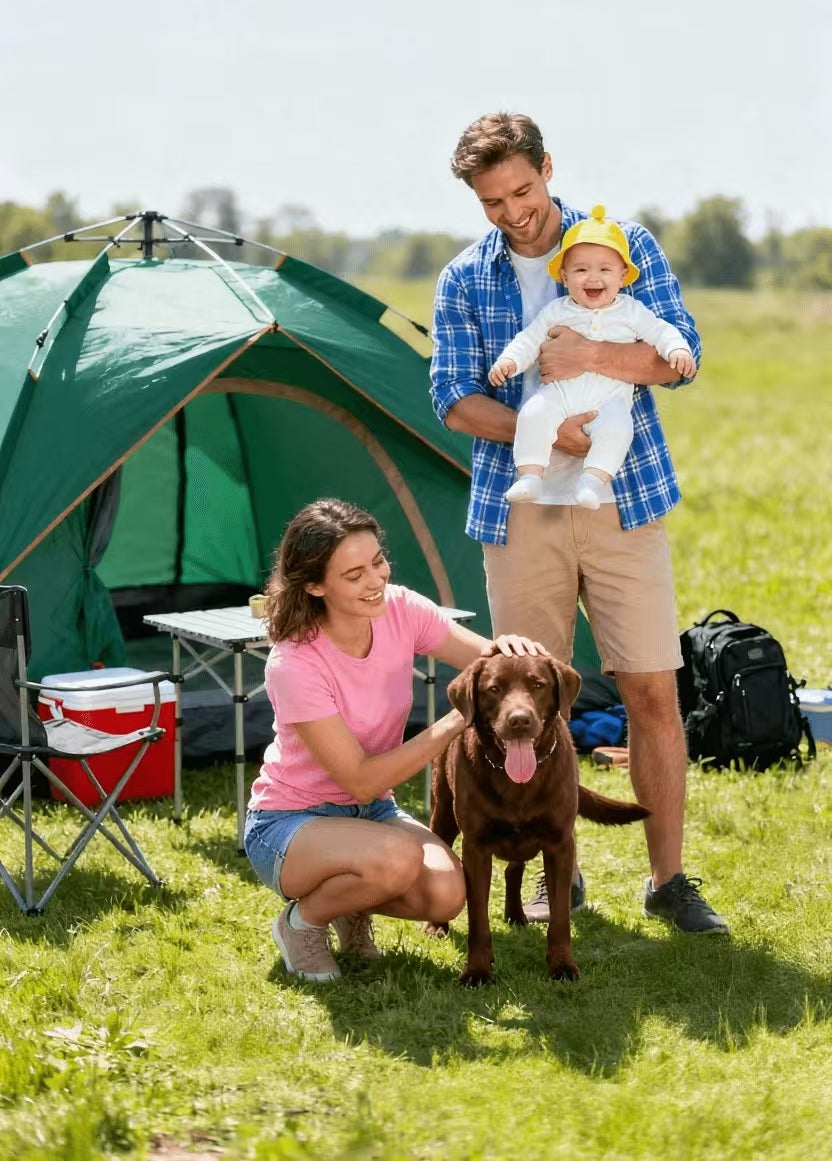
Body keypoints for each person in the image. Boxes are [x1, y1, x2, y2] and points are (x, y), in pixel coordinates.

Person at [430, 112, 729, 934]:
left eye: (523, 190)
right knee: (526, 701)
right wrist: (542, 424)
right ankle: (548, 874)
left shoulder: (623, 244)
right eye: (493, 202)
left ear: (548, 169)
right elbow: (452, 397)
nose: (514, 212)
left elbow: (679, 360)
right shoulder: (464, 279)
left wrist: (587, 359)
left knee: (651, 690)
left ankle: (669, 880)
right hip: (520, 509)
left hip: (623, 499)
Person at [244, 497, 546, 982]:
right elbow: (362, 781)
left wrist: (516, 654)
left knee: (448, 894)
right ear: (316, 585)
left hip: (371, 816)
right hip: (288, 823)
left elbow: (485, 659)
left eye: (378, 562)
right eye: (354, 574)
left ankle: (351, 905)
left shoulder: (400, 608)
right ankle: (301, 923)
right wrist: (455, 722)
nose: (375, 580)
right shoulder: (294, 664)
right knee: (398, 858)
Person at [489, 204, 695, 509]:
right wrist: (509, 362)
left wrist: (677, 349)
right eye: (581, 270)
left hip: (609, 400)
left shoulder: (631, 311)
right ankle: (530, 474)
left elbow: (661, 331)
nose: (592, 278)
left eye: (605, 269)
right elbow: (529, 339)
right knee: (533, 414)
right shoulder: (558, 311)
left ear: (623, 276)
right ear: (564, 275)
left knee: (619, 429)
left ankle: (592, 481)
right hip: (560, 395)